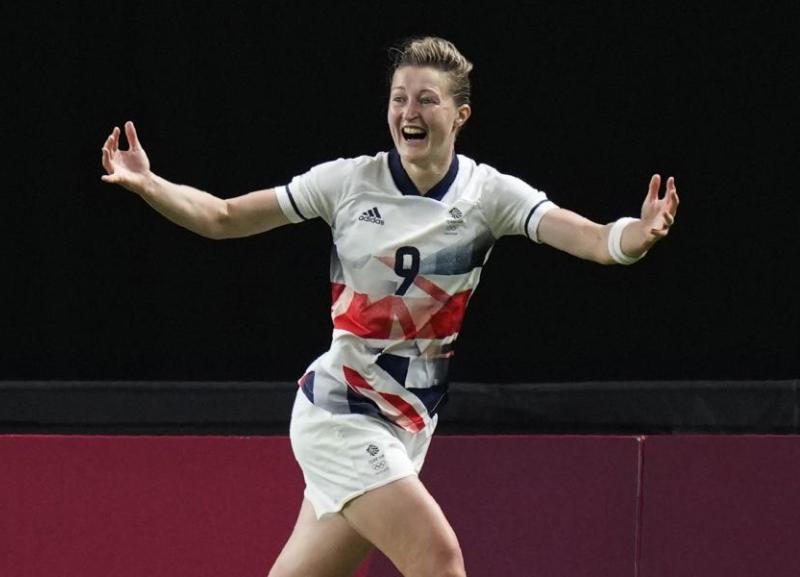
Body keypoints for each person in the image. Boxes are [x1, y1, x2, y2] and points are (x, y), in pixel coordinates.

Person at [100, 36, 678, 577]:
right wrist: (152, 184)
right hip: (339, 411)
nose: (409, 111)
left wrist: (637, 235)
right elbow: (224, 217)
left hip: (409, 423)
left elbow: (592, 238)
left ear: (460, 116)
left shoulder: (488, 195)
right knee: (437, 555)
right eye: (399, 98)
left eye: (428, 100)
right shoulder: (348, 182)